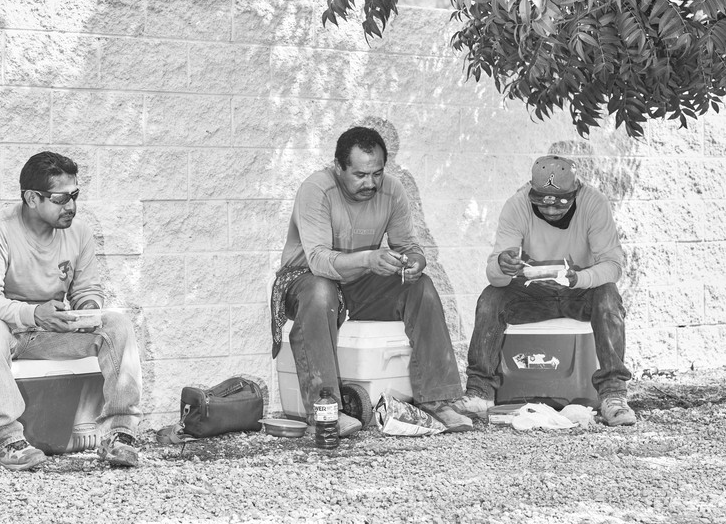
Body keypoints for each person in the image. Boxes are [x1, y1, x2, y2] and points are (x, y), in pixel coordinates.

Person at [270, 126, 470, 436]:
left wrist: (415, 262)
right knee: (322, 292)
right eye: (361, 175)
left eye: (377, 173)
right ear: (339, 168)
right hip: (305, 280)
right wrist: (368, 259)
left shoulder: (393, 191)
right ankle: (325, 411)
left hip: (359, 281)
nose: (371, 183)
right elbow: (319, 261)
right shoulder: (316, 190)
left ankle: (438, 399)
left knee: (421, 286)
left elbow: (409, 246)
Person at [0, 151, 143, 470]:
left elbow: (87, 290)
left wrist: (86, 313)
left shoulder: (78, 232)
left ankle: (120, 434)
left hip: (43, 331)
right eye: (60, 198)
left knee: (117, 324)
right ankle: (4, 439)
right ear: (32, 198)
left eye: (75, 196)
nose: (70, 206)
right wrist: (35, 313)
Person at [453, 154, 635, 426]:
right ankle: (481, 392)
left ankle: (613, 395)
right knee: (491, 298)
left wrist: (580, 278)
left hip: (579, 290)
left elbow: (613, 266)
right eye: (541, 203)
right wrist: (503, 265)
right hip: (533, 293)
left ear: (576, 191)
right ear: (532, 191)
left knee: (608, 296)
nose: (550, 211)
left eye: (561, 203)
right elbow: (494, 273)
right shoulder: (517, 205)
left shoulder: (594, 203)